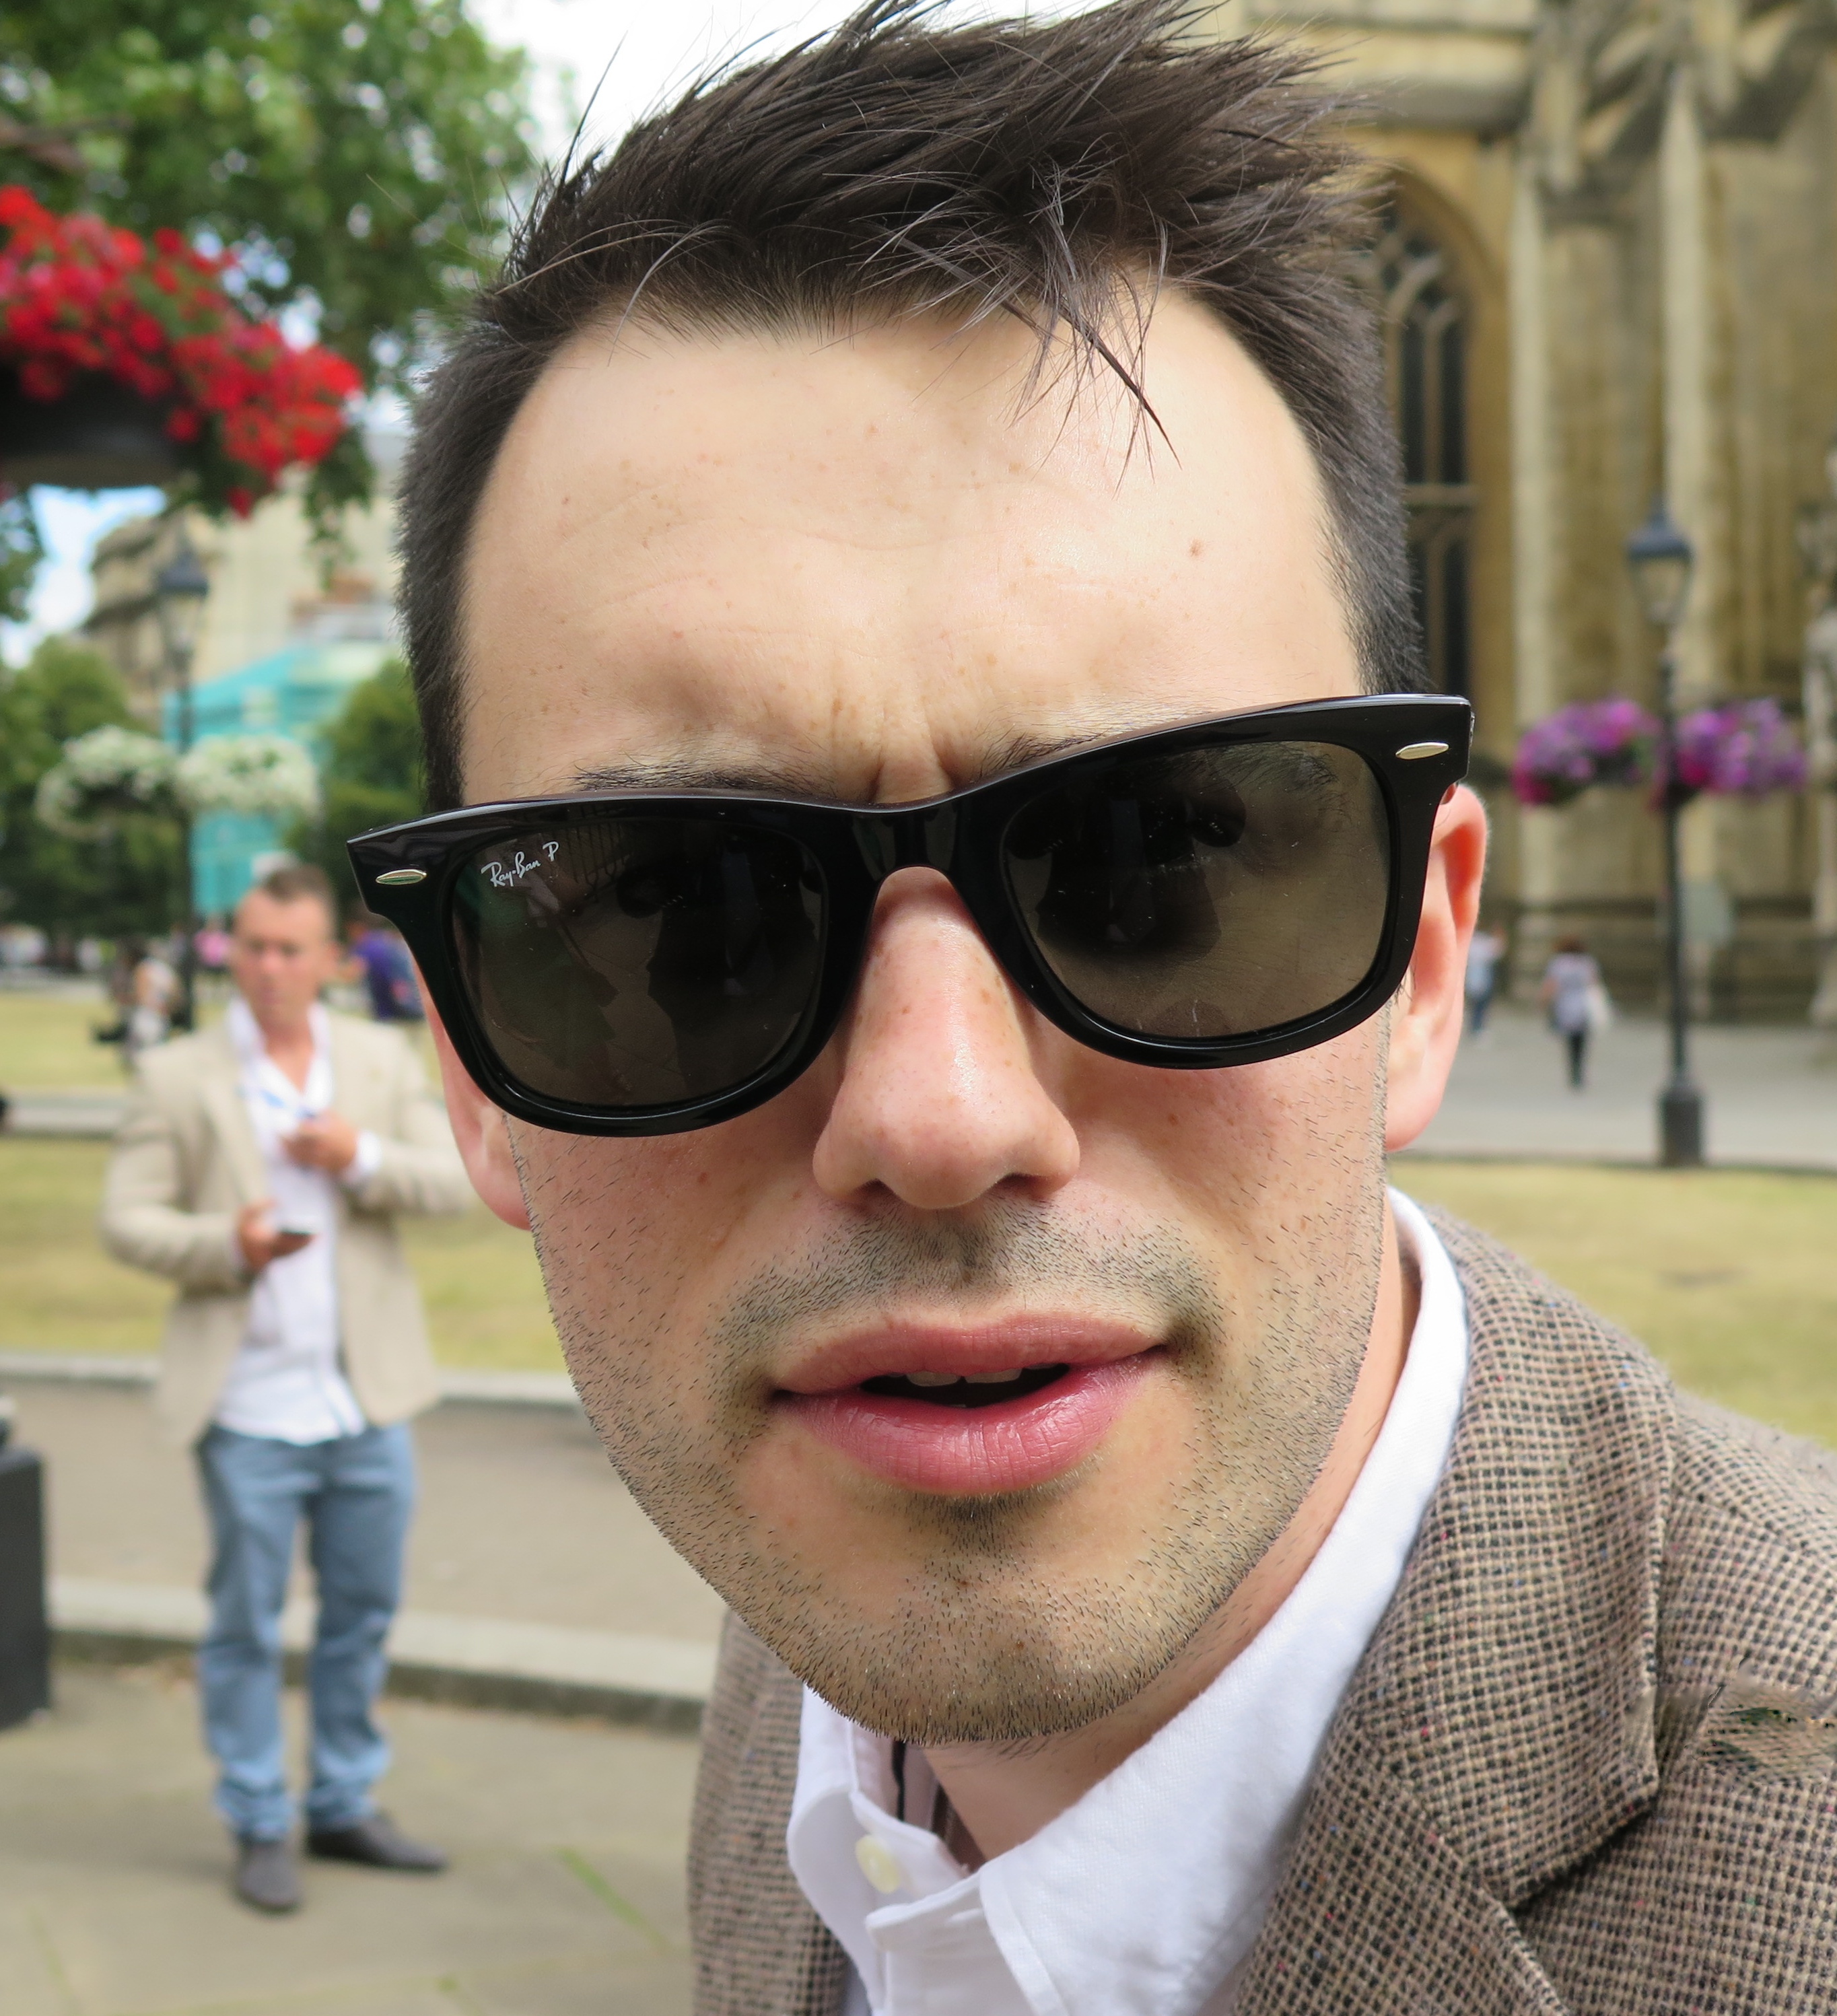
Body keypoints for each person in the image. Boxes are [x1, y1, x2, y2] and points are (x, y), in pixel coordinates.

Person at [360, 3, 1837, 2007]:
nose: (939, 1113)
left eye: (1157, 860)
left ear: (1421, 957)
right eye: (691, 912)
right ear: (470, 1058)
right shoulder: (809, 1651)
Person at [100, 864, 473, 1916]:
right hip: (247, 1406)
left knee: (362, 1613)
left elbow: (457, 1178)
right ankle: (259, 1815)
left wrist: (360, 1157)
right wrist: (228, 1242)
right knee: (246, 1624)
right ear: (233, 951)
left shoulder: (376, 1057)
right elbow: (125, 1218)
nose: (268, 966)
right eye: (252, 946)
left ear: (330, 959)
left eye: (289, 948)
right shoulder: (177, 1072)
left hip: (363, 1400)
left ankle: (343, 1801)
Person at [1539, 933, 1604, 1088]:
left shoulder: (1559, 963)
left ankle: (1573, 1071)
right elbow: (1593, 982)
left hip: (1565, 1006)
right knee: (1582, 1042)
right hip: (1583, 1006)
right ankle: (1579, 1071)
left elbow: (1552, 985)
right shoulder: (1587, 962)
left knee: (1569, 1042)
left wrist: (1543, 1001)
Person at [344, 913, 423, 1023]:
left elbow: (351, 974)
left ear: (356, 927)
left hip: (387, 1009)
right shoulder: (385, 939)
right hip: (406, 1000)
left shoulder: (365, 946)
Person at [1463, 920, 1505, 1037]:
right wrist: (1500, 935)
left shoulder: (1476, 940)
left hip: (1478, 974)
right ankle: (1476, 1027)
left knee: (1477, 1003)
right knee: (1479, 1003)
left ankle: (1475, 1026)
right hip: (1479, 974)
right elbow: (1497, 950)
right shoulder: (1481, 942)